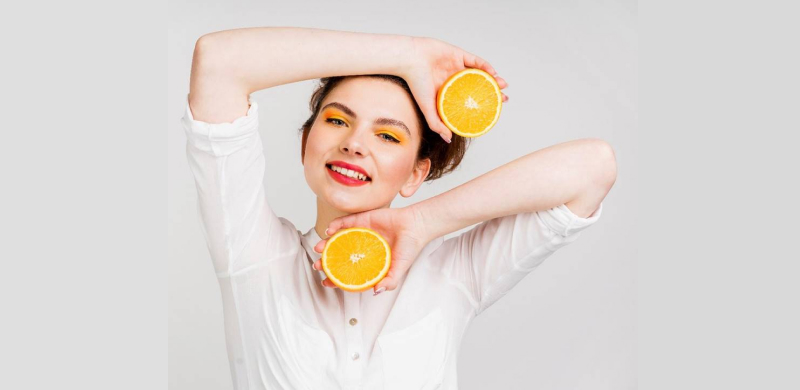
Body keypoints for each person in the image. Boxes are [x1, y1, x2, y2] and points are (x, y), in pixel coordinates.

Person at [182, 26, 616, 390]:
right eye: (337, 120)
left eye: (388, 136)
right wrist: (408, 55)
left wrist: (423, 222)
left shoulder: (453, 271)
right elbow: (218, 62)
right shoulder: (254, 255)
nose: (354, 143)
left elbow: (593, 167)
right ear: (304, 144)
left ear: (415, 174)